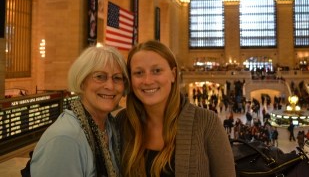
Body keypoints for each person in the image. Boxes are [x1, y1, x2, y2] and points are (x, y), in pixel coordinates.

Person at [118, 40, 235, 176]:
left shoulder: (207, 123)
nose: (148, 80)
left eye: (157, 71)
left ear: (173, 74)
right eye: (139, 73)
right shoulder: (122, 122)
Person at [31, 46, 129, 177]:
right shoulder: (65, 139)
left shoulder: (111, 128)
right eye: (100, 76)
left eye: (117, 78)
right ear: (82, 82)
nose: (110, 86)